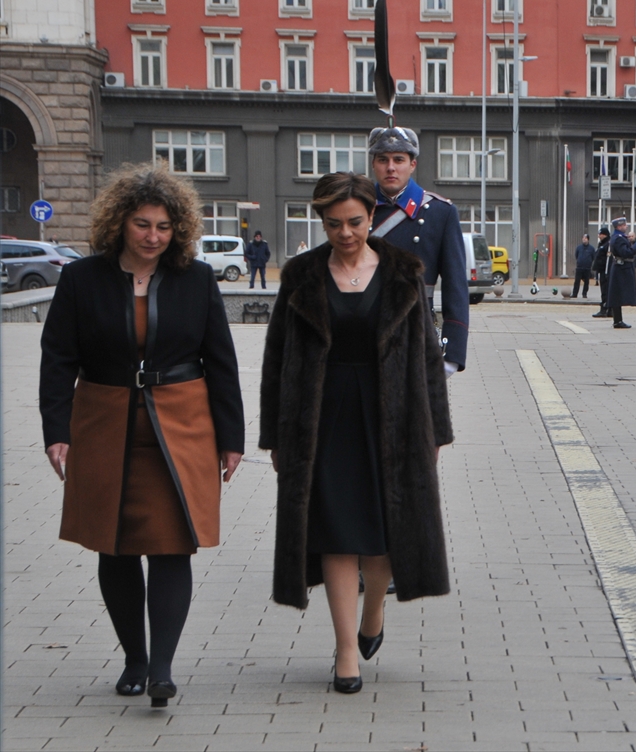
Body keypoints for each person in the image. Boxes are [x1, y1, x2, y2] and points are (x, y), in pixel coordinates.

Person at [39, 161, 244, 709]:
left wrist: (232, 437)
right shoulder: (81, 278)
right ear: (120, 223)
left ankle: (161, 668)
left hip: (180, 426)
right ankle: (133, 655)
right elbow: (58, 358)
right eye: (143, 225)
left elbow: (221, 362)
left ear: (178, 229)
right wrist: (56, 430)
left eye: (163, 227)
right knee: (115, 545)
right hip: (103, 422)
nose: (153, 237)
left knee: (172, 544)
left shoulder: (196, 279)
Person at [260, 172, 453, 695]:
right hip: (320, 418)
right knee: (337, 533)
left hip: (393, 414)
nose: (345, 233)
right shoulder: (300, 275)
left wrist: (436, 429)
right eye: (333, 223)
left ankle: (374, 609)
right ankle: (347, 649)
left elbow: (428, 359)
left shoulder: (402, 273)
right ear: (320, 221)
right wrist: (274, 434)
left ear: (371, 216)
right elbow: (276, 357)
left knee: (385, 529)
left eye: (355, 221)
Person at [368, 126, 468, 376]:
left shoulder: (440, 213)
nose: (391, 167)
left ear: (412, 164)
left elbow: (456, 285)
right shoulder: (357, 208)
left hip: (416, 334)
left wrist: (452, 354)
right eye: (383, 160)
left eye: (399, 160)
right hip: (364, 332)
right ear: (373, 164)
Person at [607, 216, 636, 329]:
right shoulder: (618, 238)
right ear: (619, 226)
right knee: (617, 295)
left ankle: (617, 320)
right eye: (624, 225)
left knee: (616, 295)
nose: (626, 227)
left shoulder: (619, 237)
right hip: (621, 268)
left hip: (620, 267)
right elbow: (625, 252)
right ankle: (617, 320)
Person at [592, 226, 611, 318]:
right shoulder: (601, 244)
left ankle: (605, 309)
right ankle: (607, 308)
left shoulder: (608, 244)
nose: (599, 236)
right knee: (604, 290)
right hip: (601, 270)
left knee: (605, 291)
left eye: (600, 234)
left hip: (606, 271)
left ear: (605, 235)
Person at [569, 233, 595, 299]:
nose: (584, 239)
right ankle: (575, 294)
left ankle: (584, 294)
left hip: (587, 268)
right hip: (579, 267)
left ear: (588, 239)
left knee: (586, 282)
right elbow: (576, 256)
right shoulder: (579, 247)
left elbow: (593, 257)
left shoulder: (591, 248)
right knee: (577, 281)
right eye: (583, 238)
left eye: (585, 238)